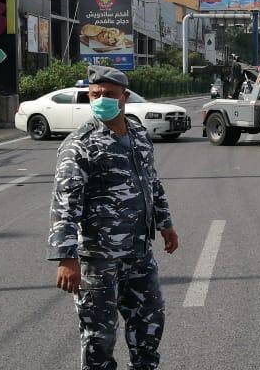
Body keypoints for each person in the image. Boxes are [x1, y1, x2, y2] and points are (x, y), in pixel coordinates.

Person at [49, 65, 180, 370]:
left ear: (124, 97)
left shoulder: (137, 134)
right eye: (95, 95)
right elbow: (65, 203)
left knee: (150, 321)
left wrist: (166, 224)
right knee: (99, 335)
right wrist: (65, 257)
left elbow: (152, 183)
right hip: (97, 258)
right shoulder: (80, 143)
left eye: (108, 94)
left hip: (138, 252)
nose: (101, 100)